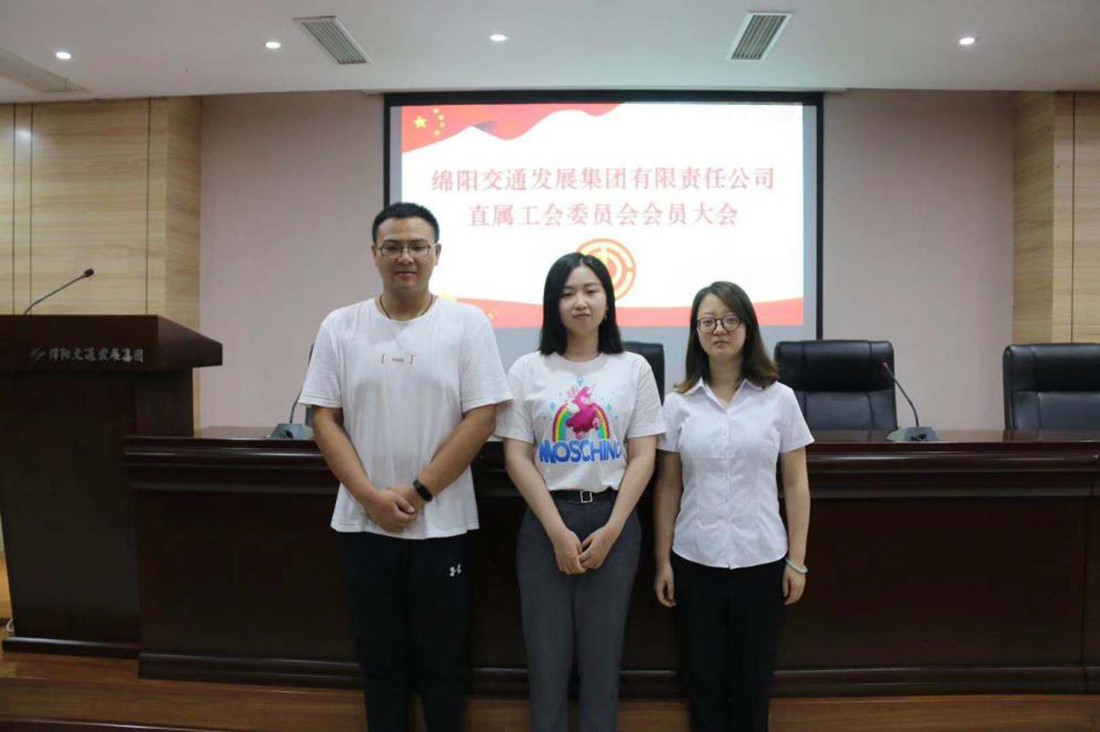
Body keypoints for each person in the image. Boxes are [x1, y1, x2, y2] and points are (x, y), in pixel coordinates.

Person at [299, 202, 511, 732]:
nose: (405, 257)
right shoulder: (340, 326)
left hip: (442, 524)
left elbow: (482, 416)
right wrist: (369, 496)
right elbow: (323, 417)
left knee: (443, 665)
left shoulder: (467, 324)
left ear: (437, 254)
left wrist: (419, 491)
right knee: (380, 663)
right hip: (363, 525)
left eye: (417, 246)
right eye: (392, 247)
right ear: (374, 254)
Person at [495, 252, 666, 732]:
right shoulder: (527, 369)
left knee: (602, 657)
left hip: (614, 520)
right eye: (567, 293)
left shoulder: (633, 368)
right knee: (545, 658)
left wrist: (613, 529)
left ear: (608, 301)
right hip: (547, 521)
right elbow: (516, 457)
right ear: (553, 305)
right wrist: (555, 530)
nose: (580, 302)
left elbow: (644, 455)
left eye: (591, 291)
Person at [652, 281, 812, 732]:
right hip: (695, 560)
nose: (718, 329)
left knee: (752, 686)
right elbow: (668, 488)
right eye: (707, 321)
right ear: (695, 332)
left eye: (728, 319)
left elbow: (796, 483)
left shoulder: (779, 399)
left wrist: (797, 561)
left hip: (761, 560)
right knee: (702, 686)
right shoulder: (678, 403)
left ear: (747, 327)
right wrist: (662, 561)